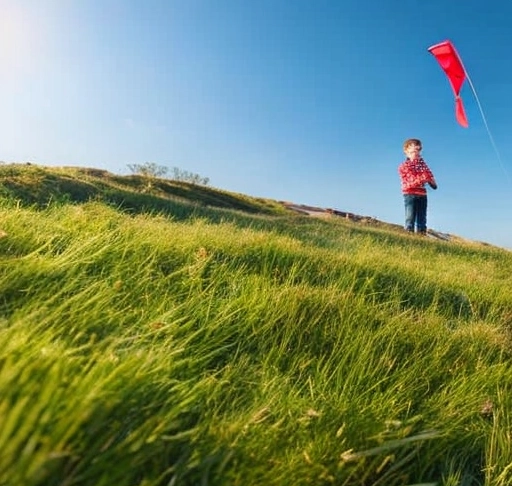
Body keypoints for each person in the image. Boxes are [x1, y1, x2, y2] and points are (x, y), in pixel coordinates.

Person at [398, 138, 437, 234]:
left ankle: (421, 234)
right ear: (406, 152)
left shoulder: (423, 164)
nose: (416, 153)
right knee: (410, 215)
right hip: (410, 194)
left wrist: (432, 182)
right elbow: (411, 180)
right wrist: (424, 178)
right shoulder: (404, 166)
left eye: (418, 150)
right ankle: (408, 233)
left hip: (422, 194)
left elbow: (429, 174)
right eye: (413, 151)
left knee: (422, 216)